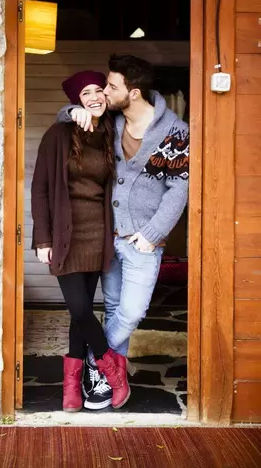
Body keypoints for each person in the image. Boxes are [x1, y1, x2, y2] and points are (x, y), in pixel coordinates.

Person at [57, 55, 189, 410]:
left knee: (131, 313)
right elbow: (63, 118)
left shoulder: (174, 131)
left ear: (132, 92)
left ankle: (95, 360)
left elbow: (179, 188)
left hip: (144, 242)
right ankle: (110, 377)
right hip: (108, 237)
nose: (104, 92)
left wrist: (151, 233)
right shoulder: (111, 123)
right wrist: (71, 112)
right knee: (112, 306)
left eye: (111, 86)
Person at [31, 70, 130, 413]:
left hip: (98, 234)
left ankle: (71, 387)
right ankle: (111, 370)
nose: (94, 97)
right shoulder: (58, 134)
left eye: (98, 90)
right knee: (80, 309)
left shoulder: (110, 131)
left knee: (80, 314)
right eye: (85, 93)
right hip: (65, 235)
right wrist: (42, 237)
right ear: (76, 100)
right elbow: (40, 189)